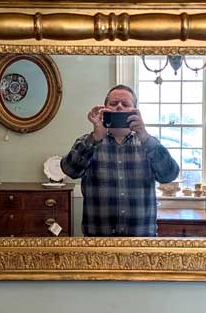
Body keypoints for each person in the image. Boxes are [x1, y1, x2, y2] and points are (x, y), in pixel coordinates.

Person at [61, 84, 179, 236]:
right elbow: (69, 170)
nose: (119, 107)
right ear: (104, 109)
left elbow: (169, 175)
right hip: (98, 242)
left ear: (135, 110)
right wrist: (95, 137)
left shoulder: (149, 144)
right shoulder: (89, 141)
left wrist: (144, 135)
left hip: (141, 242)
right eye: (113, 103)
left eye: (125, 104)